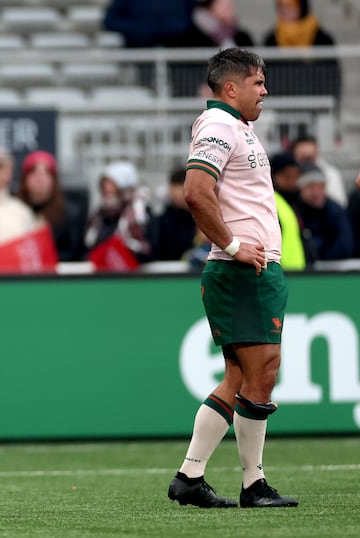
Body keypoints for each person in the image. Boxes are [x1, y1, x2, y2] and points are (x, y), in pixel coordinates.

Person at [167, 47, 298, 509]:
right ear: (231, 87)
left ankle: (190, 477)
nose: (264, 91)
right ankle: (252, 483)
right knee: (261, 373)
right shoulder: (221, 125)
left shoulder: (233, 127)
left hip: (243, 268)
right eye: (258, 83)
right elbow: (196, 192)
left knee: (242, 375)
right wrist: (236, 246)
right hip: (242, 270)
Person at [167, 0, 254, 97]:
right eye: (224, 3)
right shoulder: (188, 39)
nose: (230, 6)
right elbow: (183, 77)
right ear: (209, 6)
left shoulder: (242, 38)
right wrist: (200, 90)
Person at [262, 0, 341, 100]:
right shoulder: (271, 40)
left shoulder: (322, 38)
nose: (285, 10)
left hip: (315, 102)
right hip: (281, 102)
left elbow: (330, 76)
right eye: (281, 6)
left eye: (290, 5)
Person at [16, 150, 87, 262]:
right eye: (34, 173)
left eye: (46, 173)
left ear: (54, 180)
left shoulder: (70, 213)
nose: (39, 179)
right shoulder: (13, 209)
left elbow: (76, 253)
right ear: (24, 179)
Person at [84, 160, 153, 264]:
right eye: (104, 186)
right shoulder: (99, 216)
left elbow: (146, 250)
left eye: (112, 185)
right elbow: (89, 247)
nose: (107, 189)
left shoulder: (141, 215)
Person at [296, 163, 353, 261]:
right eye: (310, 186)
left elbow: (345, 243)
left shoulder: (336, 210)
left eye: (319, 186)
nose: (315, 192)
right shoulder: (295, 211)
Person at [270, 152, 312, 270]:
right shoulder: (271, 204)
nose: (292, 182)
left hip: (296, 275)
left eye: (295, 176)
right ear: (273, 176)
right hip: (281, 275)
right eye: (287, 177)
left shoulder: (292, 204)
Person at [148, 168, 198, 261]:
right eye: (177, 187)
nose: (180, 194)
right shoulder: (162, 217)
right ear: (170, 188)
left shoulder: (199, 217)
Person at [290, 134, 347, 207]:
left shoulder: (330, 174)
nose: (307, 162)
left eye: (310, 157)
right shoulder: (291, 176)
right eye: (303, 157)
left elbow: (339, 202)